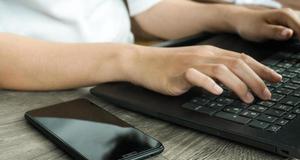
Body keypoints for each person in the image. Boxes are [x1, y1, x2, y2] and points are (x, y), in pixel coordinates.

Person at [1, 0, 300, 104]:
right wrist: (135, 59)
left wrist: (235, 17)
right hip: (23, 94)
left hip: (127, 79)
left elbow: (147, 8)